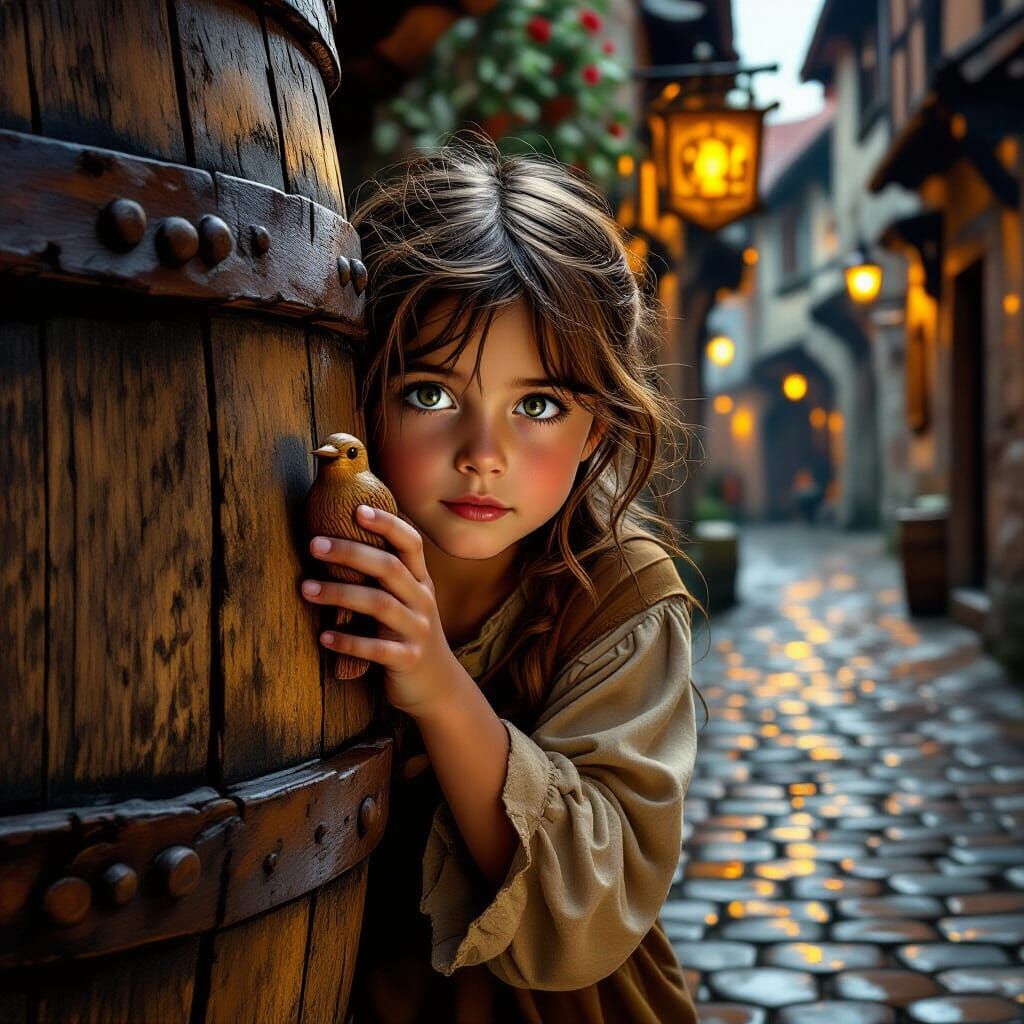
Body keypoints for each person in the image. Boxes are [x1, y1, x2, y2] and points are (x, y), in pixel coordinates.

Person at [300, 129, 708, 1023]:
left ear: (598, 427)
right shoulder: (304, 555)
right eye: (432, 394)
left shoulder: (625, 601)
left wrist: (438, 687)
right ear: (361, 396)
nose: (483, 454)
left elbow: (592, 901)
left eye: (538, 404)